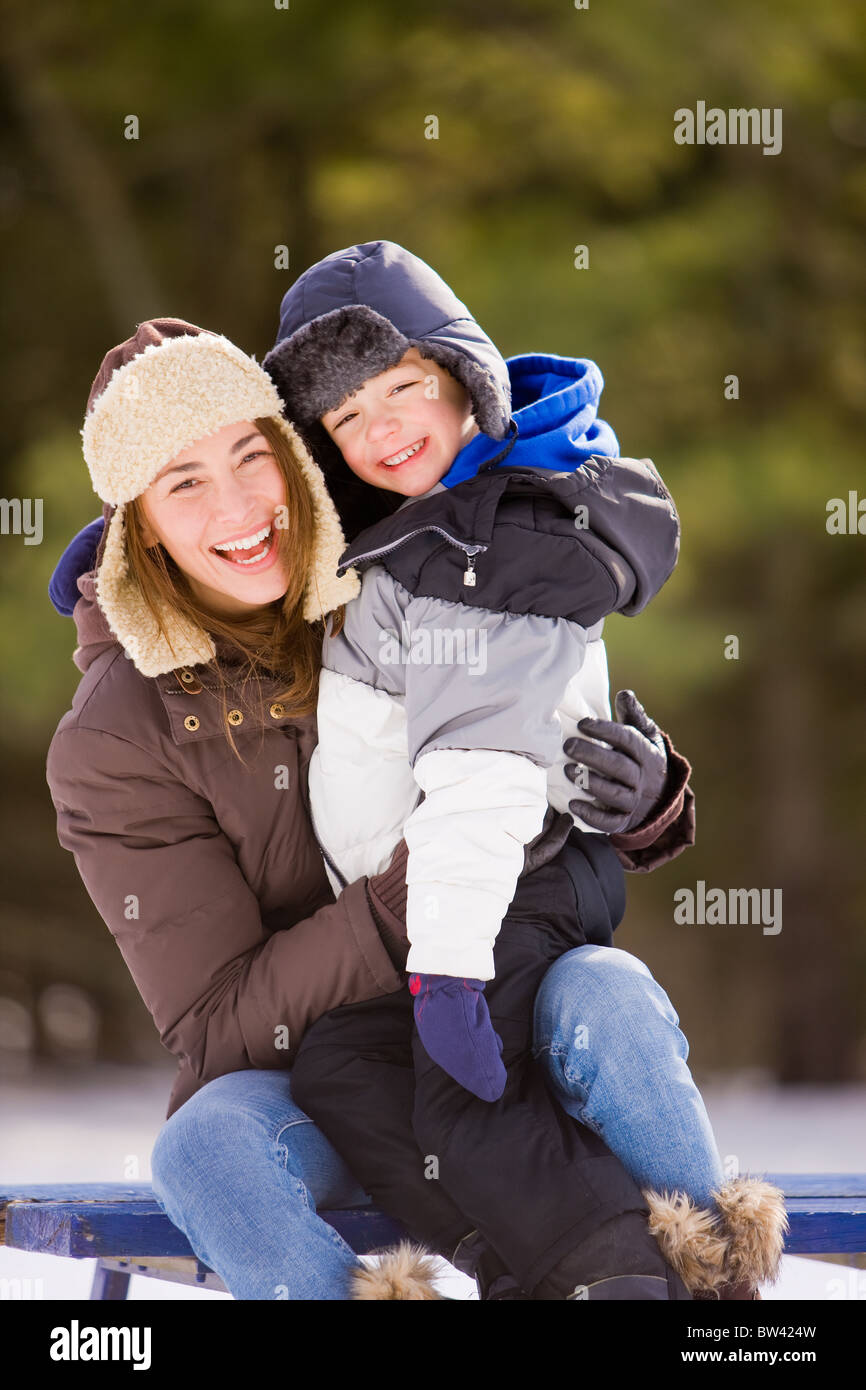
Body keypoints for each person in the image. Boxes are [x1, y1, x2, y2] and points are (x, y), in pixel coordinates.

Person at [45, 316, 781, 1298]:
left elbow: (519, 723)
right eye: (183, 482)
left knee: (606, 990)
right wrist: (410, 902)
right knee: (200, 1150)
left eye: (251, 456)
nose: (236, 505)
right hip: (322, 1072)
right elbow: (218, 1023)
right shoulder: (117, 735)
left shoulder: (382, 565)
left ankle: (705, 1301)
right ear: (139, 525)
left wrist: (635, 801)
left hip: (502, 1001)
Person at [262, 241, 787, 1299]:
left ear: (463, 376)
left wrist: (447, 971)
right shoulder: (434, 518)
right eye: (348, 417)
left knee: (463, 1103)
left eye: (403, 386)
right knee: (344, 1070)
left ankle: (623, 1279)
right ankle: (539, 1273)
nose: (382, 428)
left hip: (491, 886)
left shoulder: (480, 548)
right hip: (452, 888)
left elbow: (482, 771)